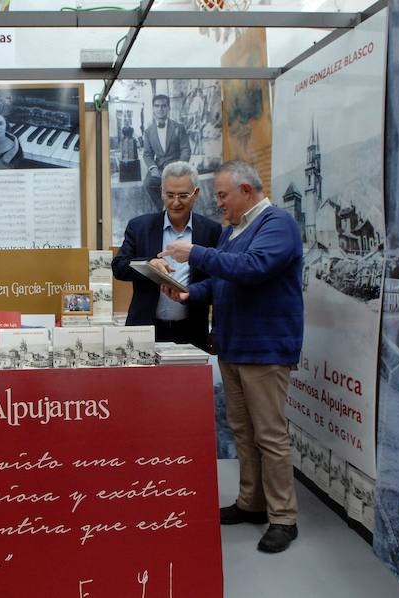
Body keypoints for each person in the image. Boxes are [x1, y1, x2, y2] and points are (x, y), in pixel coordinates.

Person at [159, 160, 303, 553]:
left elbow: (253, 268)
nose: (218, 203)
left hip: (265, 349)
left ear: (246, 190)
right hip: (234, 346)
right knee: (243, 431)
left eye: (222, 195)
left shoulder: (277, 224)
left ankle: (283, 518)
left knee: (270, 435)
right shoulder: (232, 231)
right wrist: (190, 294)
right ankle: (251, 502)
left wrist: (197, 254)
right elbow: (223, 281)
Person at [111, 161, 222, 349]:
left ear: (196, 194)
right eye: (170, 195)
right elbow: (119, 266)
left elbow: (219, 283)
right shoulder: (140, 227)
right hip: (145, 329)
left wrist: (217, 328)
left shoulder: (211, 231)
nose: (175, 202)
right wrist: (148, 265)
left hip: (192, 331)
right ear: (161, 192)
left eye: (183, 196)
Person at [142, 94, 191, 211]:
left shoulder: (179, 127)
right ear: (153, 108)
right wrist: (153, 168)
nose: (160, 109)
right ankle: (164, 209)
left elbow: (186, 149)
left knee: (180, 187)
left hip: (176, 167)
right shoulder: (149, 131)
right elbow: (147, 154)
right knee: (148, 184)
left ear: (168, 108)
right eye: (157, 106)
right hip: (158, 169)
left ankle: (176, 211)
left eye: (164, 106)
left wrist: (179, 166)